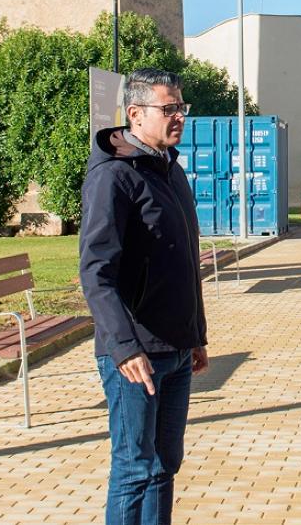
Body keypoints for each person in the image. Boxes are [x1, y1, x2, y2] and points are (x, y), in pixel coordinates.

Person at [80, 68, 209, 525]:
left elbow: (183, 262)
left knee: (163, 466)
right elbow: (96, 272)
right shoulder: (114, 177)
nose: (178, 116)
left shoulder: (170, 170)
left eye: (181, 108)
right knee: (135, 468)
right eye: (168, 108)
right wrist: (123, 345)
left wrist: (195, 335)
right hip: (135, 355)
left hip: (175, 349)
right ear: (135, 114)